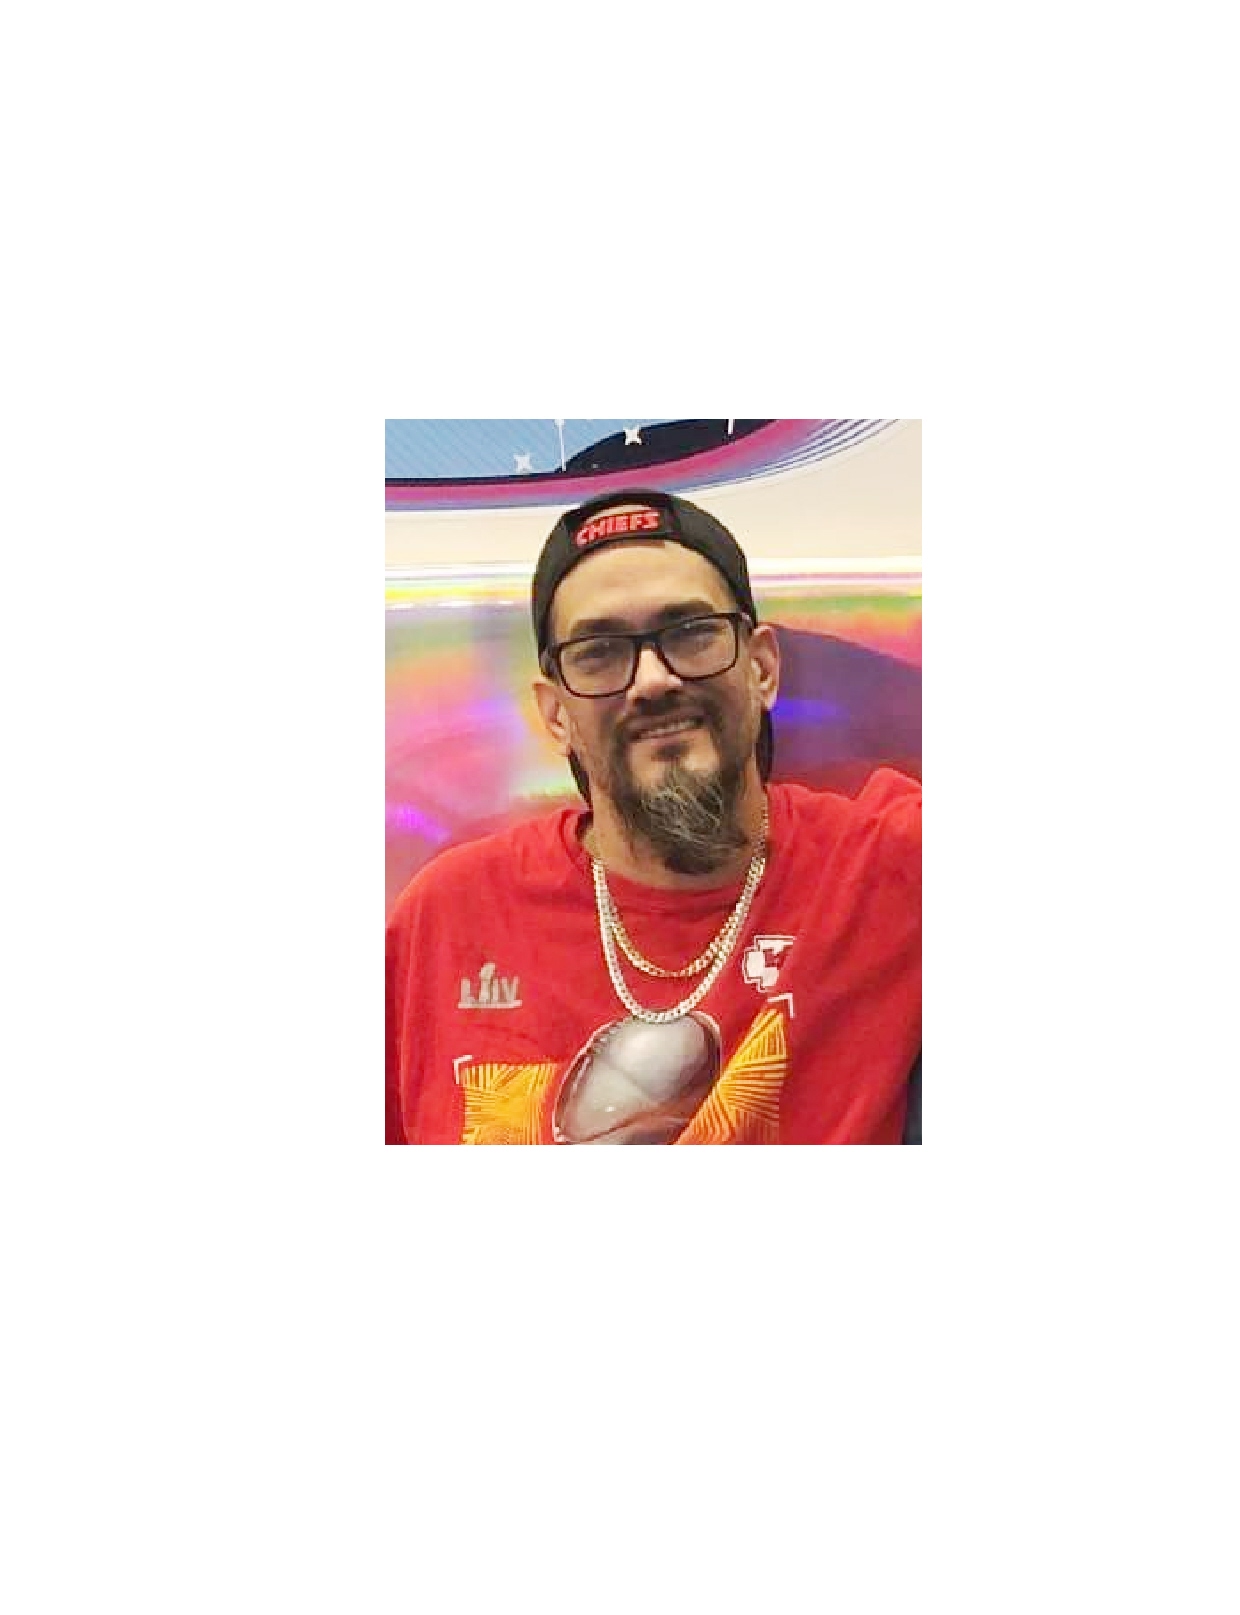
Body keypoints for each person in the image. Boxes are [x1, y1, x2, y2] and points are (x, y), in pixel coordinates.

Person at [386, 487, 921, 1145]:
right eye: (599, 651)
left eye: (691, 633)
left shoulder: (886, 867)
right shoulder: (446, 920)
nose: (652, 680)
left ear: (761, 669)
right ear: (556, 714)